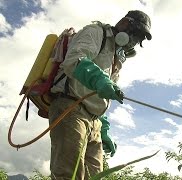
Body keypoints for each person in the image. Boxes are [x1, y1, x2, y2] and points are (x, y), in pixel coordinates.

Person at [48, 10, 152, 179]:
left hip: (94, 120)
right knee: (69, 174)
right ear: (125, 23)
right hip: (70, 108)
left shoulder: (115, 59)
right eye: (136, 34)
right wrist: (100, 80)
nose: (134, 42)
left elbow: (100, 94)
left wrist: (103, 129)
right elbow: (74, 61)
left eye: (138, 40)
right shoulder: (96, 32)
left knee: (95, 176)